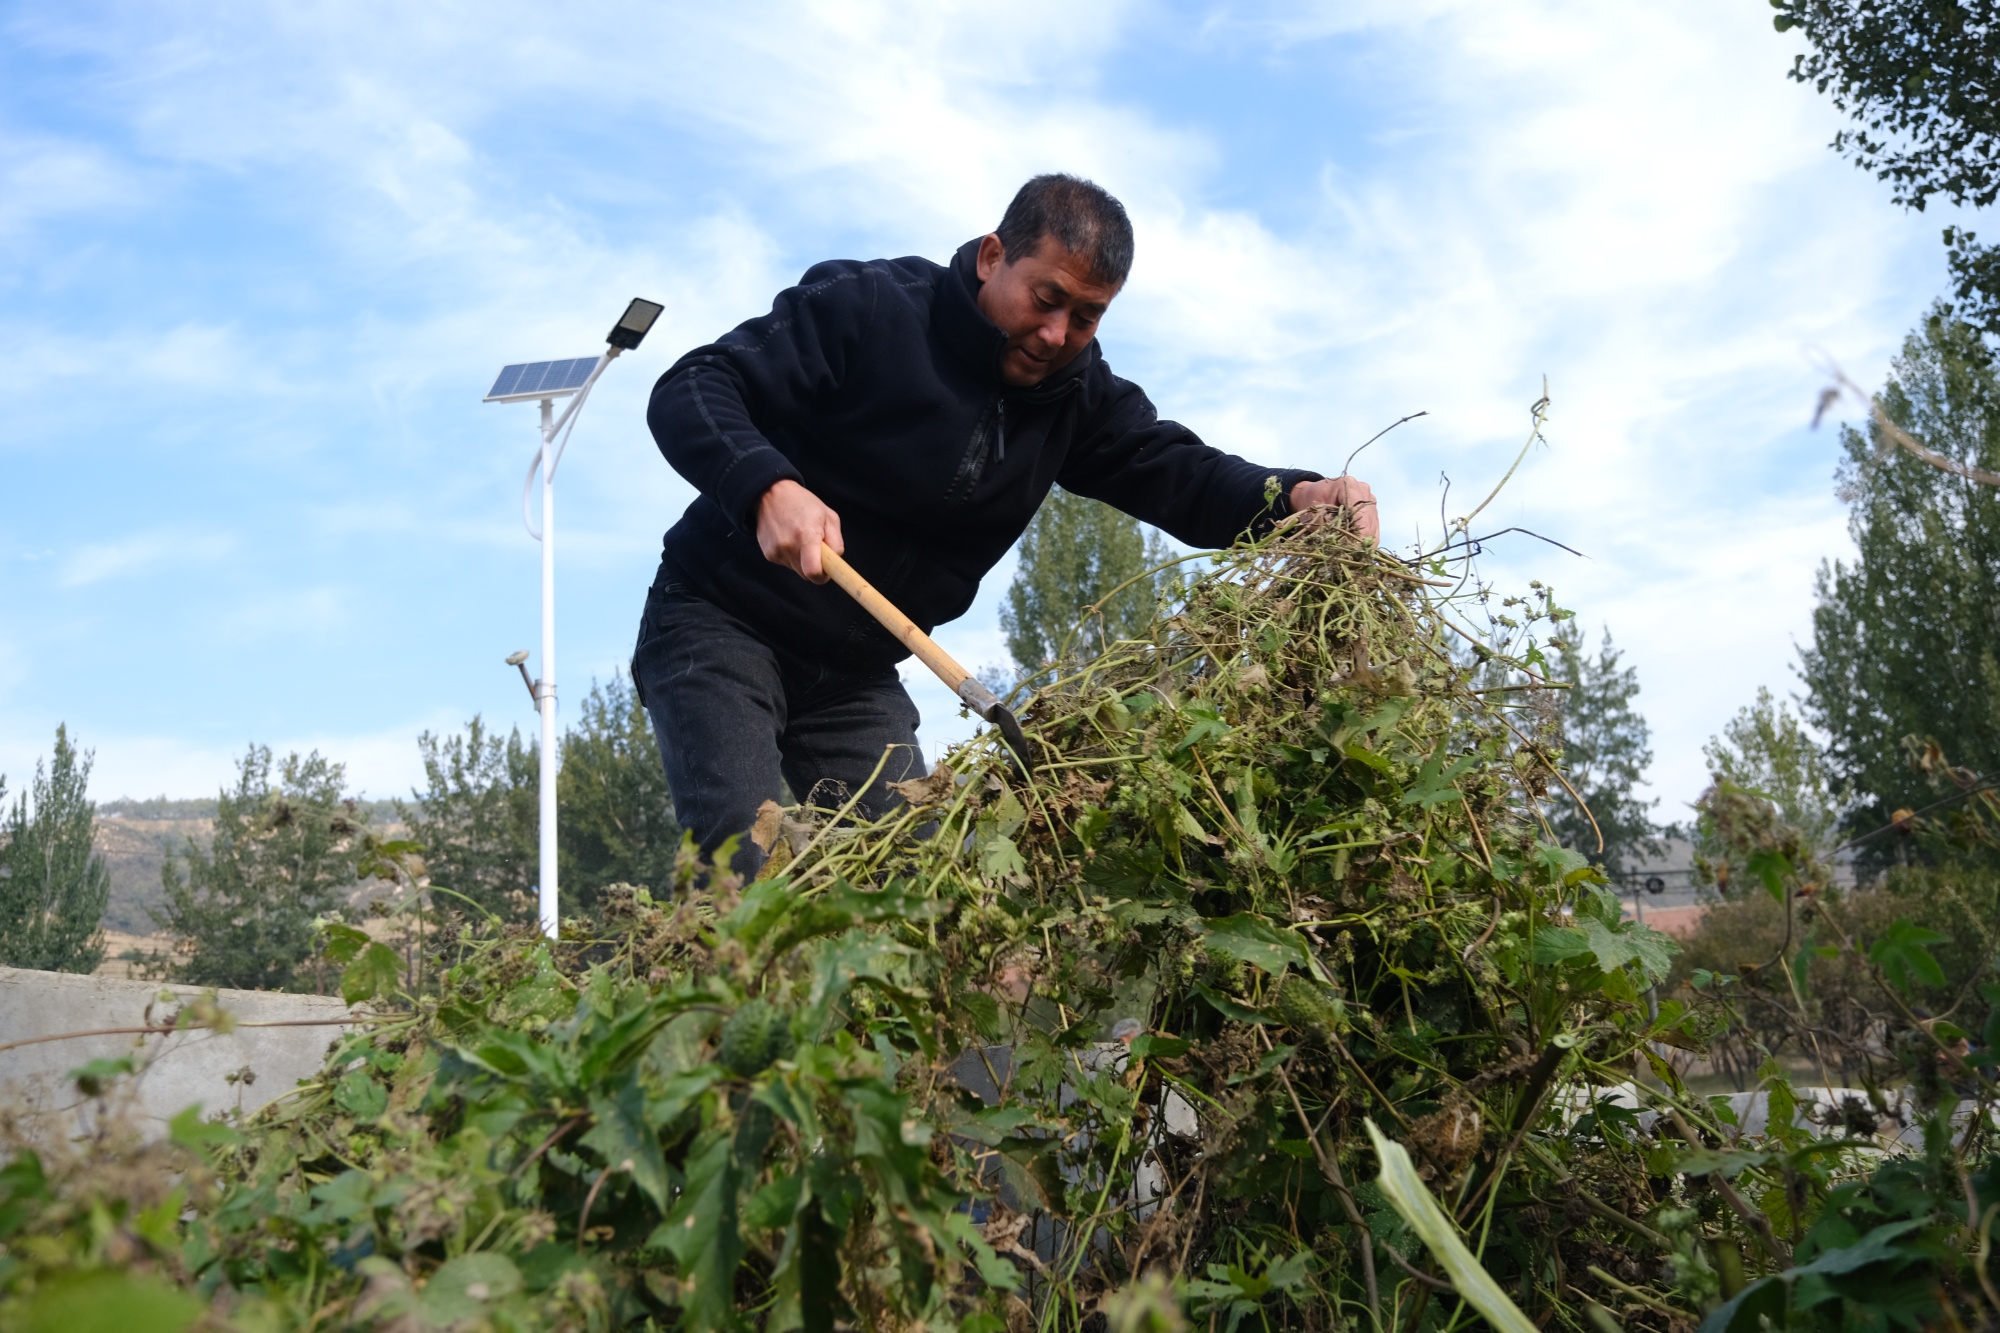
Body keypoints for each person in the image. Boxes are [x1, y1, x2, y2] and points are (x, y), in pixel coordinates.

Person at [634, 174, 1378, 871]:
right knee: (747, 864)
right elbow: (694, 386)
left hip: (854, 676)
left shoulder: (1076, 398)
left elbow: (1181, 474)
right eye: (1046, 299)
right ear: (994, 258)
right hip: (722, 620)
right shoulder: (871, 307)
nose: (1057, 335)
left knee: (915, 895)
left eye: (1085, 317)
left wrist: (1294, 498)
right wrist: (768, 485)